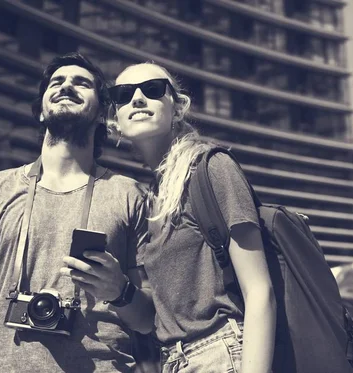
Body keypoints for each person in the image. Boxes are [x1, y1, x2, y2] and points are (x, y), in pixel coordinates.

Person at [0, 52, 155, 373]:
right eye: (56, 82)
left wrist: (120, 291)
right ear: (41, 111)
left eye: (82, 83)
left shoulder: (131, 195)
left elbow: (150, 319)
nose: (66, 85)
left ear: (102, 114)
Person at [106, 62, 276, 373]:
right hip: (174, 360)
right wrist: (115, 289)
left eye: (153, 89)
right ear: (114, 118)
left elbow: (259, 291)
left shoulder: (210, 167)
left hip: (222, 353)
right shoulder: (151, 197)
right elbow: (154, 320)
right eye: (124, 94)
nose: (138, 99)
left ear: (178, 107)